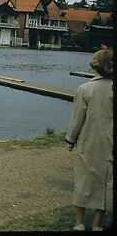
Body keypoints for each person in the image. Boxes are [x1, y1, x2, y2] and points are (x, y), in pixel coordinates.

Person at [66, 49, 113, 231]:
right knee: (105, 180)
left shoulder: (85, 89)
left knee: (84, 179)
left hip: (88, 140)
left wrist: (70, 139)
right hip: (109, 141)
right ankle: (96, 224)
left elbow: (77, 118)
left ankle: (79, 222)